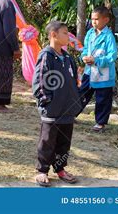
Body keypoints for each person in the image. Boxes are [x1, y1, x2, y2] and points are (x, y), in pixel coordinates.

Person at [32, 21, 81, 186]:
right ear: (54, 34)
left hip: (67, 109)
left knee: (64, 142)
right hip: (52, 109)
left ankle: (60, 169)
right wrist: (46, 101)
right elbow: (39, 80)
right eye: (65, 33)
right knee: (47, 141)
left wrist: (75, 101)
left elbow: (74, 80)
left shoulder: (67, 57)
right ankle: (42, 171)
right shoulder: (46, 55)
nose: (68, 36)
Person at [79, 6, 118, 133]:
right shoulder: (90, 33)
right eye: (92, 19)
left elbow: (112, 56)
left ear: (106, 20)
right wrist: (83, 57)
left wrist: (97, 61)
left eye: (96, 19)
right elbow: (85, 49)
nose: (93, 22)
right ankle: (70, 114)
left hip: (104, 75)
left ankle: (100, 123)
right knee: (81, 94)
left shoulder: (109, 36)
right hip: (89, 72)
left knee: (103, 99)